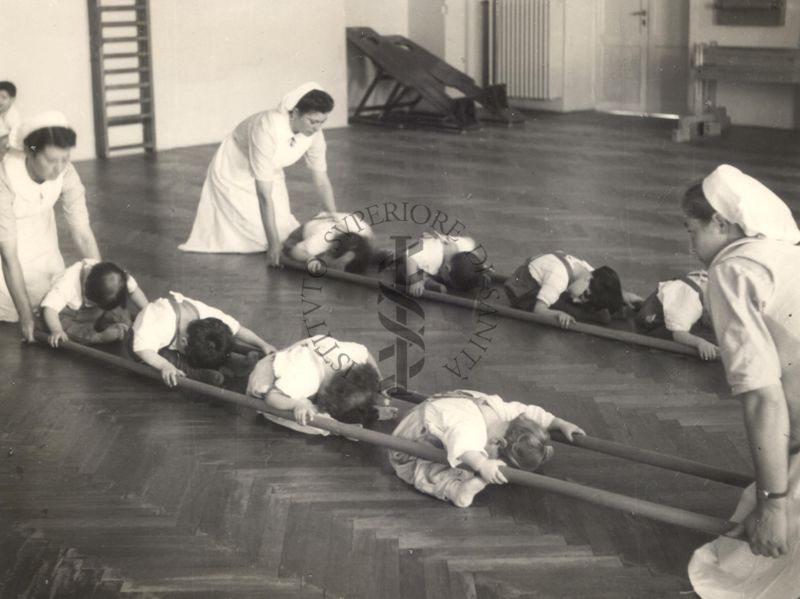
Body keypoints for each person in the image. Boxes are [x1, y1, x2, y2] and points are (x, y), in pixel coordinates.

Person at [683, 165, 800, 598]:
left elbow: (763, 400)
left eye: (691, 230)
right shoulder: (783, 252)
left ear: (721, 223)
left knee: (766, 551)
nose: (690, 243)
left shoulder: (732, 269)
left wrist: (773, 503)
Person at [179, 82, 338, 266]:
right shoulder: (267, 128)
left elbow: (321, 179)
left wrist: (333, 215)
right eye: (312, 121)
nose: (317, 128)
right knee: (255, 239)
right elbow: (263, 194)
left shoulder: (315, 134)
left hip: (269, 167)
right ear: (295, 113)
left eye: (322, 122)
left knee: (283, 232)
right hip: (235, 167)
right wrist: (273, 246)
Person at [0, 111, 102, 341]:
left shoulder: (66, 172)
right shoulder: (4, 177)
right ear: (30, 152)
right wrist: (25, 315)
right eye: (50, 160)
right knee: (11, 308)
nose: (58, 169)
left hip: (41, 240)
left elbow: (82, 233)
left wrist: (103, 287)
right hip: (5, 247)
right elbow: (7, 254)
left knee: (50, 297)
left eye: (64, 159)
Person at [389, 389, 585, 507]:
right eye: (499, 459)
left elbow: (529, 411)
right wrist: (483, 464)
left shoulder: (502, 413)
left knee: (465, 453)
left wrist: (558, 422)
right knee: (435, 468)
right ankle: (455, 491)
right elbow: (465, 445)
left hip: (447, 406)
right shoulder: (470, 430)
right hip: (414, 436)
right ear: (497, 443)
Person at [131, 291, 275, 388]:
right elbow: (141, 349)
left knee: (219, 344)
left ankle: (232, 362)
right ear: (183, 342)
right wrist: (164, 365)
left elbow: (238, 330)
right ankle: (196, 372)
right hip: (140, 346)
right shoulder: (159, 325)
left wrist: (263, 344)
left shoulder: (206, 314)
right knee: (168, 356)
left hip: (169, 334)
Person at [246, 334, 381, 435]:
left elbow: (366, 354)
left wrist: (379, 381)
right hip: (265, 381)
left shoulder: (348, 356)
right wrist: (297, 404)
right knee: (306, 415)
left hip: (291, 360)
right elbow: (272, 397)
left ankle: (361, 411)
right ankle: (335, 427)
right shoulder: (307, 378)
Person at [503, 251, 637, 328]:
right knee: (572, 310)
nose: (576, 299)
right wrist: (558, 314)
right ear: (588, 279)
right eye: (582, 295)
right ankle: (597, 314)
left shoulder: (587, 272)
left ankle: (617, 303)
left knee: (595, 298)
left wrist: (621, 295)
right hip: (524, 292)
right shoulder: (559, 276)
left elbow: (605, 281)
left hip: (538, 277)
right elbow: (538, 310)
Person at [41, 259, 148, 347]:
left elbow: (133, 289)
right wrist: (56, 329)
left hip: (99, 308)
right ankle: (97, 337)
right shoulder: (67, 284)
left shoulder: (116, 276)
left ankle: (121, 326)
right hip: (72, 313)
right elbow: (49, 309)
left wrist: (148, 309)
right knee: (67, 327)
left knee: (119, 310)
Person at [635, 270, 719, 360]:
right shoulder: (690, 300)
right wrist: (700, 343)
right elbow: (678, 334)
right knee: (686, 331)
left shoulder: (707, 280)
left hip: (672, 300)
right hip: (654, 320)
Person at [283, 211, 374, 274]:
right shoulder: (322, 240)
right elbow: (293, 250)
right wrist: (310, 259)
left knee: (366, 256)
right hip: (317, 222)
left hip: (337, 218)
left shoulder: (364, 231)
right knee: (287, 247)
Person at [404, 231, 487, 297]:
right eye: (448, 281)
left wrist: (479, 268)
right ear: (447, 268)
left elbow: (471, 245)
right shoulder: (432, 256)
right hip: (412, 252)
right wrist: (414, 280)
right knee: (406, 272)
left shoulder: (465, 247)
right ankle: (426, 281)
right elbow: (409, 255)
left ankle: (478, 278)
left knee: (470, 272)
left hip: (435, 251)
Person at [0, 81, 21, 155]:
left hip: (10, 142)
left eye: (4, 97)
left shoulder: (13, 114)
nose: (0, 100)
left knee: (32, 146)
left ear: (12, 100)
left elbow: (16, 133)